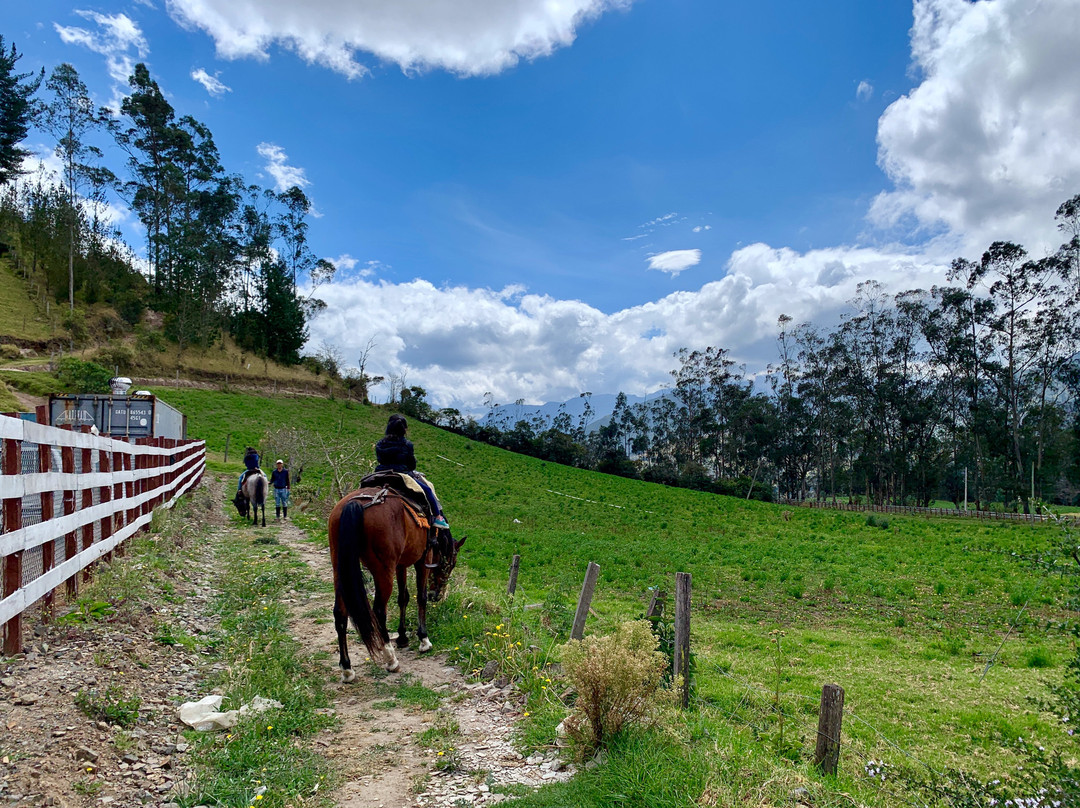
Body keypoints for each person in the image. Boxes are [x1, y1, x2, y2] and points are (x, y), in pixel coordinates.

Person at [374, 414, 450, 529]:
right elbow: (412, 465)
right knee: (428, 490)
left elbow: (380, 460)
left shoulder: (380, 444)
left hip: (381, 473)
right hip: (402, 475)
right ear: (404, 429)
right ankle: (438, 517)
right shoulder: (407, 445)